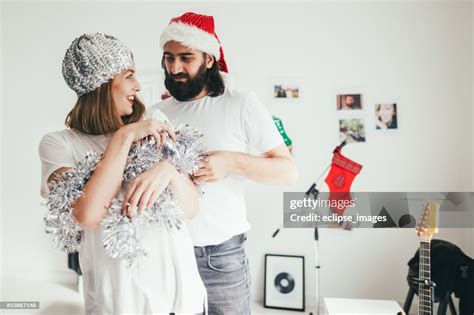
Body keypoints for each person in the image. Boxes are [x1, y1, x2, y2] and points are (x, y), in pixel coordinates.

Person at [38, 33, 207, 314]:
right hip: (120, 302)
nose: (137, 86)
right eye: (129, 75)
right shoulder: (59, 144)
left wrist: (169, 172)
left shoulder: (156, 125)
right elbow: (87, 214)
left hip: (182, 298)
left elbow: (190, 208)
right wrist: (123, 137)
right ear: (102, 84)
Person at [150, 12, 298, 314]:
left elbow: (287, 171)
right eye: (169, 58)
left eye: (185, 58)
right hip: (165, 254)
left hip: (220, 259)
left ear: (208, 59)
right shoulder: (153, 113)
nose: (175, 67)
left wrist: (232, 162)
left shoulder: (241, 104)